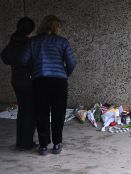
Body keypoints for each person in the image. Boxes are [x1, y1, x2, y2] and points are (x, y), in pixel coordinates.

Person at [21, 15, 76, 155]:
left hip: (40, 81)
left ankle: (43, 146)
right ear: (56, 27)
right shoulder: (62, 42)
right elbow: (71, 63)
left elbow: (23, 60)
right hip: (59, 82)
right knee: (58, 113)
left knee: (41, 113)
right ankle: (57, 144)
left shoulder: (33, 42)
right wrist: (65, 73)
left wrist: (34, 68)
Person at [1, 17, 37, 150]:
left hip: (15, 80)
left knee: (22, 111)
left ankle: (20, 142)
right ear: (31, 30)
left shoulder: (13, 40)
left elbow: (5, 58)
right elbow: (32, 61)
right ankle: (26, 143)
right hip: (28, 80)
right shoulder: (29, 42)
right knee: (30, 112)